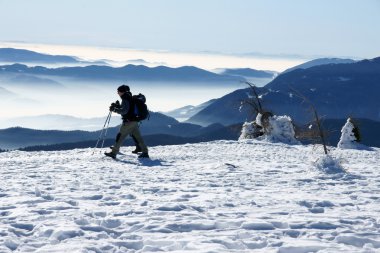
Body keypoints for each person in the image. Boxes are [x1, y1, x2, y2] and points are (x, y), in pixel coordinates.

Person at [104, 85, 149, 159]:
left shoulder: (125, 98)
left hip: (129, 122)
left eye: (118, 91)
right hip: (134, 121)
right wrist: (117, 106)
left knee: (120, 136)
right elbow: (127, 108)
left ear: (122, 92)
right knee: (138, 137)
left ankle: (114, 152)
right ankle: (145, 152)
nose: (117, 93)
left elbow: (125, 111)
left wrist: (115, 109)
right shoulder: (130, 97)